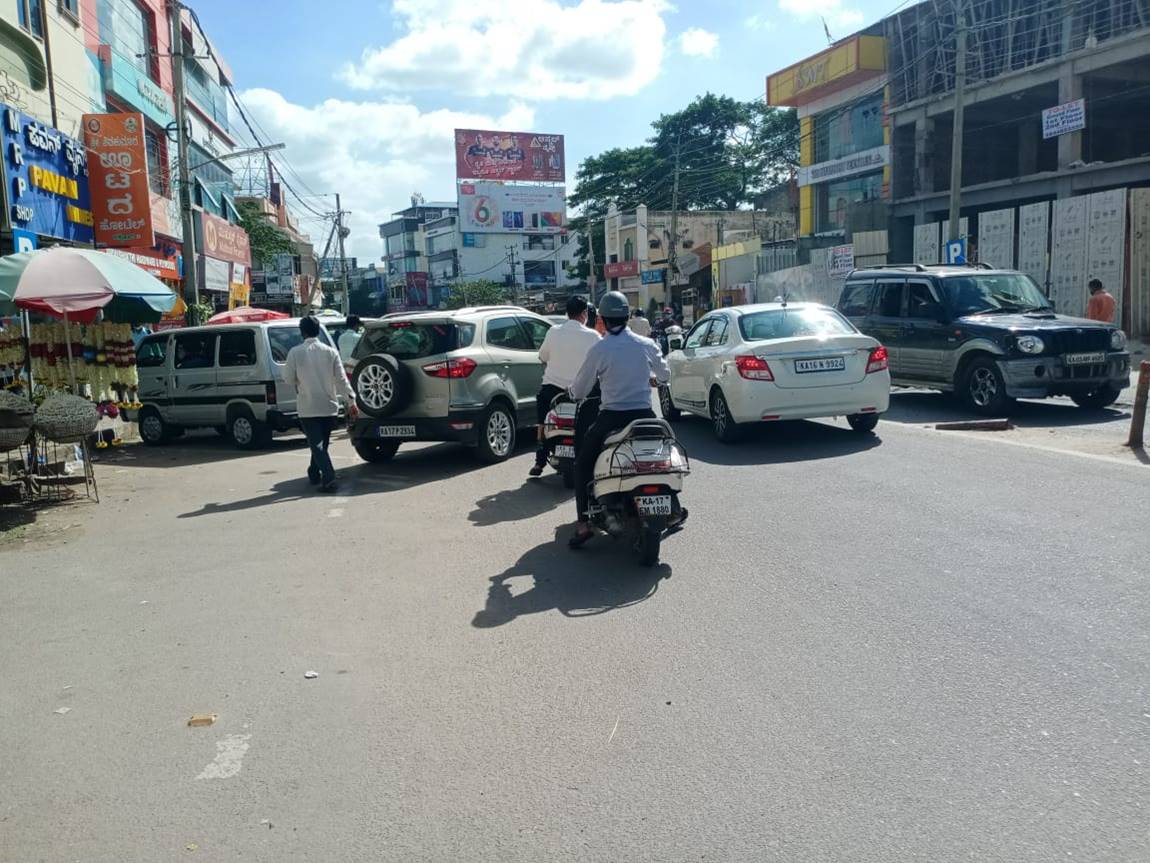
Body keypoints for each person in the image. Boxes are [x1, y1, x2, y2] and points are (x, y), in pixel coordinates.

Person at [567, 291, 670, 548]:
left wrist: (572, 393)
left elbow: (579, 390)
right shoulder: (646, 344)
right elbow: (665, 375)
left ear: (601, 318)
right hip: (644, 417)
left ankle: (583, 524)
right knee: (662, 455)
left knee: (582, 464)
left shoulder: (600, 349)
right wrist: (652, 378)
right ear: (627, 316)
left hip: (611, 418)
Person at [283, 316, 358, 493]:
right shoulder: (331, 352)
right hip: (329, 407)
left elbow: (288, 379)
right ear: (318, 331)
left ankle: (329, 478)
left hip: (308, 408)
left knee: (317, 445)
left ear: (302, 332)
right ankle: (314, 472)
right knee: (320, 445)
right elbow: (341, 380)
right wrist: (351, 401)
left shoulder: (295, 353)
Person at [530, 295, 600, 477]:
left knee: (542, 421)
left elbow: (542, 356)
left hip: (552, 391)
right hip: (582, 392)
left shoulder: (553, 331)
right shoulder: (593, 336)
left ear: (567, 313)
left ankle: (539, 461)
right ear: (584, 314)